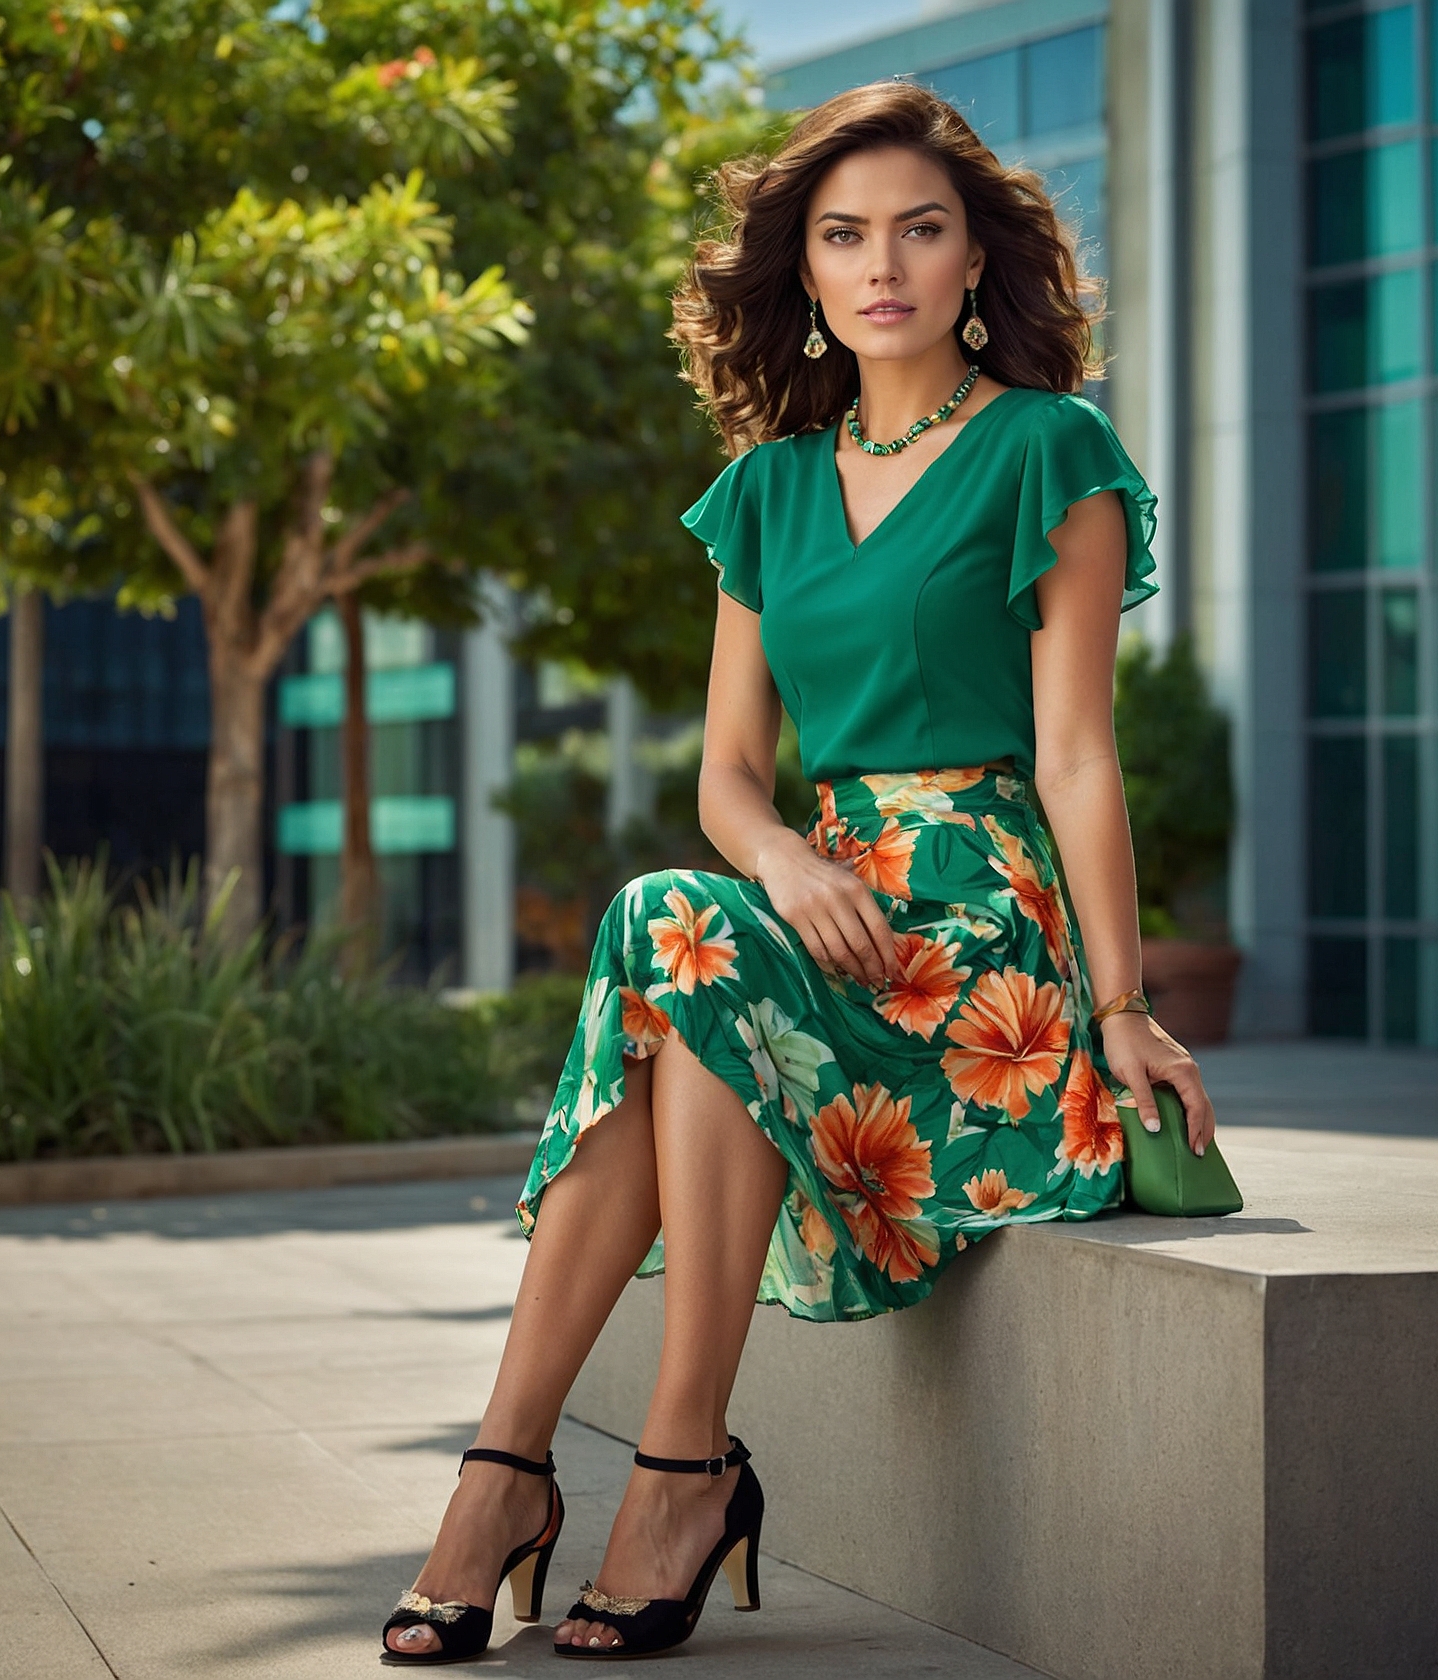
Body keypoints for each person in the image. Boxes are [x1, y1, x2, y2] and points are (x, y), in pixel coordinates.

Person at [379, 79, 1219, 1668]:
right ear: (810, 273)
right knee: (685, 931)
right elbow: (727, 779)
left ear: (979, 261)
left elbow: (1079, 756)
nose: (881, 262)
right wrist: (779, 858)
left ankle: (572, 1479)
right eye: (844, 236)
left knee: (671, 944)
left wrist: (1121, 1005)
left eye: (919, 229)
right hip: (804, 903)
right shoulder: (768, 488)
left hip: (981, 953)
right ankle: (608, 1473)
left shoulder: (1051, 451)